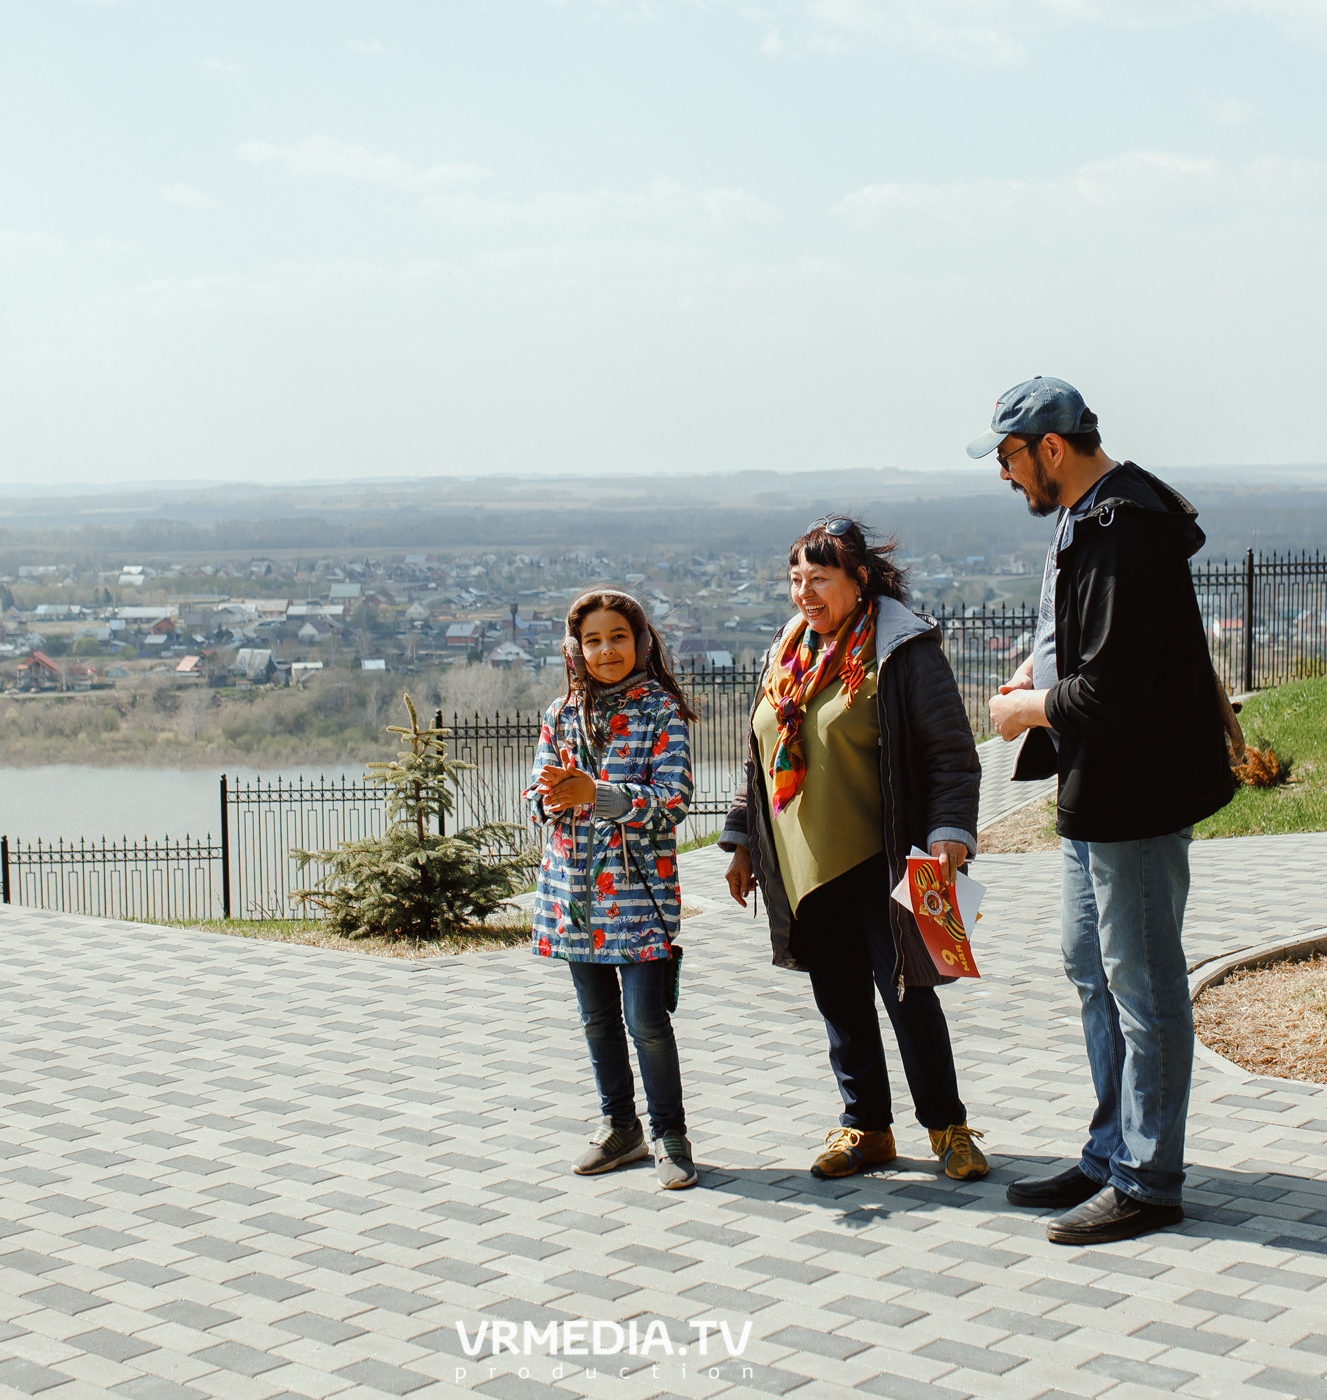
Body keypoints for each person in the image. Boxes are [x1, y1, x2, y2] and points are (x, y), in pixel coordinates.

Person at [973, 377, 1237, 1245]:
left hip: (1138, 789)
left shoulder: (1125, 530)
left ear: (1051, 447)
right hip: (1099, 789)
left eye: (1010, 457)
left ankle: (1149, 1179)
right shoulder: (1084, 519)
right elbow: (1080, 644)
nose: (1006, 475)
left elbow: (1115, 689)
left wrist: (1027, 712)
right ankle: (1110, 1149)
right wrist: (1035, 676)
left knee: (1146, 984)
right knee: (1093, 968)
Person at [717, 519, 986, 1184]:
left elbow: (950, 751)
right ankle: (866, 1127)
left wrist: (953, 829)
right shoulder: (790, 648)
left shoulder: (904, 649)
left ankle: (947, 1127)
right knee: (838, 997)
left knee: (910, 995)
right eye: (796, 580)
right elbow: (761, 750)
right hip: (805, 859)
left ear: (859, 579)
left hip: (889, 855)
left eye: (821, 578)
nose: (805, 592)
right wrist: (742, 837)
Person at [527, 589, 700, 1189]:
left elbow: (674, 802)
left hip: (638, 898)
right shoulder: (560, 714)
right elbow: (536, 794)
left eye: (618, 638)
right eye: (593, 640)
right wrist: (550, 797)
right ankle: (619, 1127)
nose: (606, 650)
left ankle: (670, 1136)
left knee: (646, 1019)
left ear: (642, 643)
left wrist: (594, 795)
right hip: (574, 896)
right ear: (576, 649)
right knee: (597, 1020)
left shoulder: (660, 712)